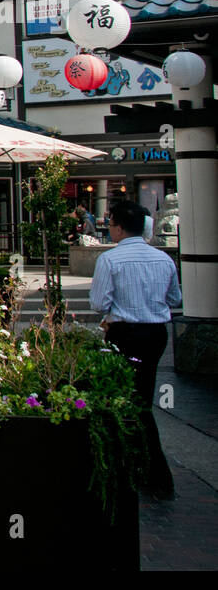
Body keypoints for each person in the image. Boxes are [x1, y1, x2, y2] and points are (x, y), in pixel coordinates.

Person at [90, 201, 182, 500]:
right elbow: (174, 297)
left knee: (127, 399)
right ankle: (145, 467)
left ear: (117, 225)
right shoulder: (164, 259)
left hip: (125, 333)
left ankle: (147, 469)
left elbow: (99, 304)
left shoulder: (110, 260)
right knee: (141, 396)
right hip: (155, 334)